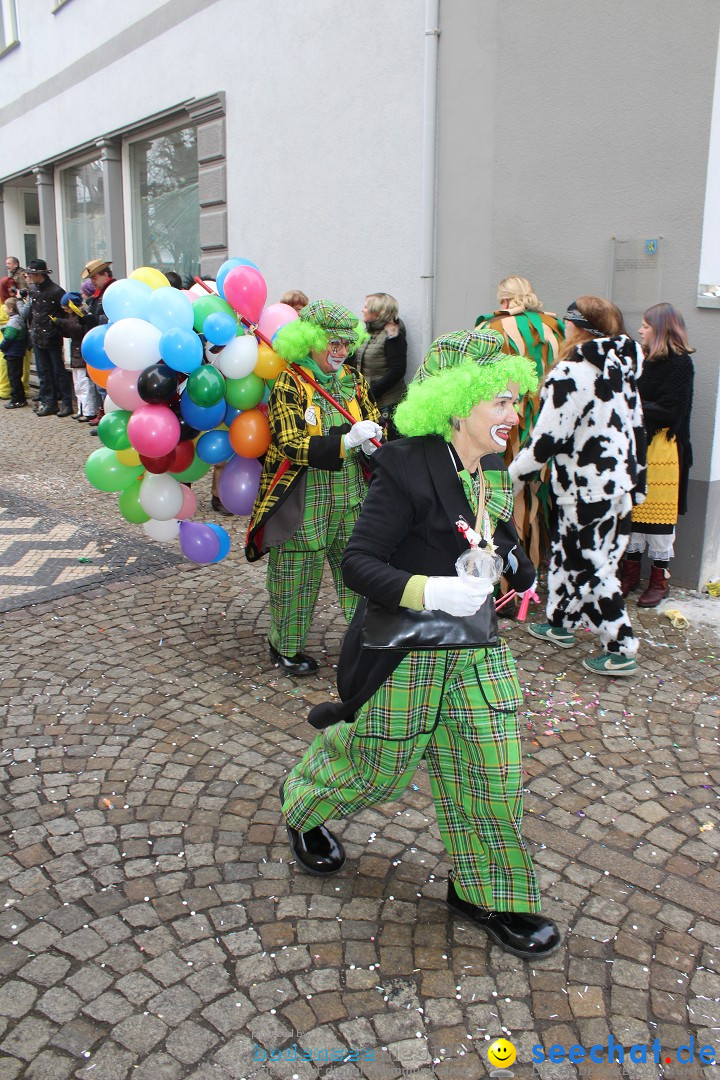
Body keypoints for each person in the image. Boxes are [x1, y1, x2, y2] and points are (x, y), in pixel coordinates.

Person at [280, 328, 562, 959]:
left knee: (492, 770)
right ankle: (302, 805)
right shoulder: (406, 466)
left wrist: (519, 566)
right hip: (406, 648)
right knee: (374, 769)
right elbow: (359, 563)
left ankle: (485, 891)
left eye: (517, 402)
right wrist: (429, 590)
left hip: (475, 647)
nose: (514, 416)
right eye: (502, 403)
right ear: (458, 405)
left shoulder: (486, 468)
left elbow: (495, 538)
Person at [510, 297, 646, 677]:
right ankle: (560, 622)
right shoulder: (620, 368)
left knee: (591, 563)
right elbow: (637, 431)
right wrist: (638, 483)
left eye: (569, 322)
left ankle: (621, 646)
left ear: (578, 327)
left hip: (585, 487)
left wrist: (513, 476)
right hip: (617, 483)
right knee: (570, 553)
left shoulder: (572, 373)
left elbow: (546, 440)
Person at [246, 300, 383, 676]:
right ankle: (285, 647)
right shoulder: (290, 381)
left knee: (360, 571)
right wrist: (344, 441)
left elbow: (370, 417)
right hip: (304, 496)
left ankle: (369, 640)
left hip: (352, 495)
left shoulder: (354, 380)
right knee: (297, 574)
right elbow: (290, 442)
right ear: (309, 342)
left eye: (344, 343)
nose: (340, 352)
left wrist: (374, 436)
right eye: (331, 344)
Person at [475, 275, 565, 567]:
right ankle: (529, 567)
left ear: (503, 298)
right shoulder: (556, 328)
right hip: (545, 428)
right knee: (535, 496)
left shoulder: (491, 328)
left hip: (502, 425)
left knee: (496, 494)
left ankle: (501, 574)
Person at [620, 303, 695, 607]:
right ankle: (631, 574)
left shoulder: (680, 364)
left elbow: (669, 411)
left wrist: (632, 405)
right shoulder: (644, 360)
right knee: (636, 512)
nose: (640, 330)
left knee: (660, 519)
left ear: (662, 329)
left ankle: (659, 580)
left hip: (666, 449)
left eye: (646, 326)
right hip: (640, 445)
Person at [18, 258, 72, 417]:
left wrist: (56, 328)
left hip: (52, 337)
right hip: (37, 336)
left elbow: (63, 314)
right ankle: (49, 402)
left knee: (58, 371)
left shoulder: (56, 291)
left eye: (31, 274)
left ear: (39, 274)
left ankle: (67, 403)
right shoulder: (33, 289)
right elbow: (32, 313)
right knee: (43, 372)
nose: (29, 277)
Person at [353, 292, 407, 440]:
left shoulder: (393, 335)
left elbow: (397, 370)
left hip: (386, 403)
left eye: (366, 307)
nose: (362, 310)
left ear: (377, 312)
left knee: (387, 445)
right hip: (369, 400)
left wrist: (371, 392)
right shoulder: (368, 333)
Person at [80, 258, 115, 433]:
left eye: (94, 277)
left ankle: (109, 420)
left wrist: (93, 319)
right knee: (100, 386)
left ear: (105, 274)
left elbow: (111, 318)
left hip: (109, 346)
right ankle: (103, 417)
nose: (91, 281)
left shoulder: (111, 291)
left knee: (108, 387)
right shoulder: (97, 295)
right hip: (98, 346)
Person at [56, 291, 95, 421]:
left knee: (85, 384)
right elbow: (69, 332)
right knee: (78, 384)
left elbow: (78, 329)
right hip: (75, 351)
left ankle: (89, 411)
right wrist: (59, 327)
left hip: (81, 351)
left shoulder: (81, 315)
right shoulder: (71, 317)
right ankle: (81, 408)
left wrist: (63, 323)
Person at [0, 296, 28, 408]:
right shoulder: (17, 319)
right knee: (16, 376)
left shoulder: (13, 321)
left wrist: (1, 347)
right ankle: (20, 398)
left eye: (5, 308)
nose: (4, 310)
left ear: (11, 309)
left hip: (13, 353)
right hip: (16, 352)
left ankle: (16, 399)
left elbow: (8, 338)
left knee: (14, 377)